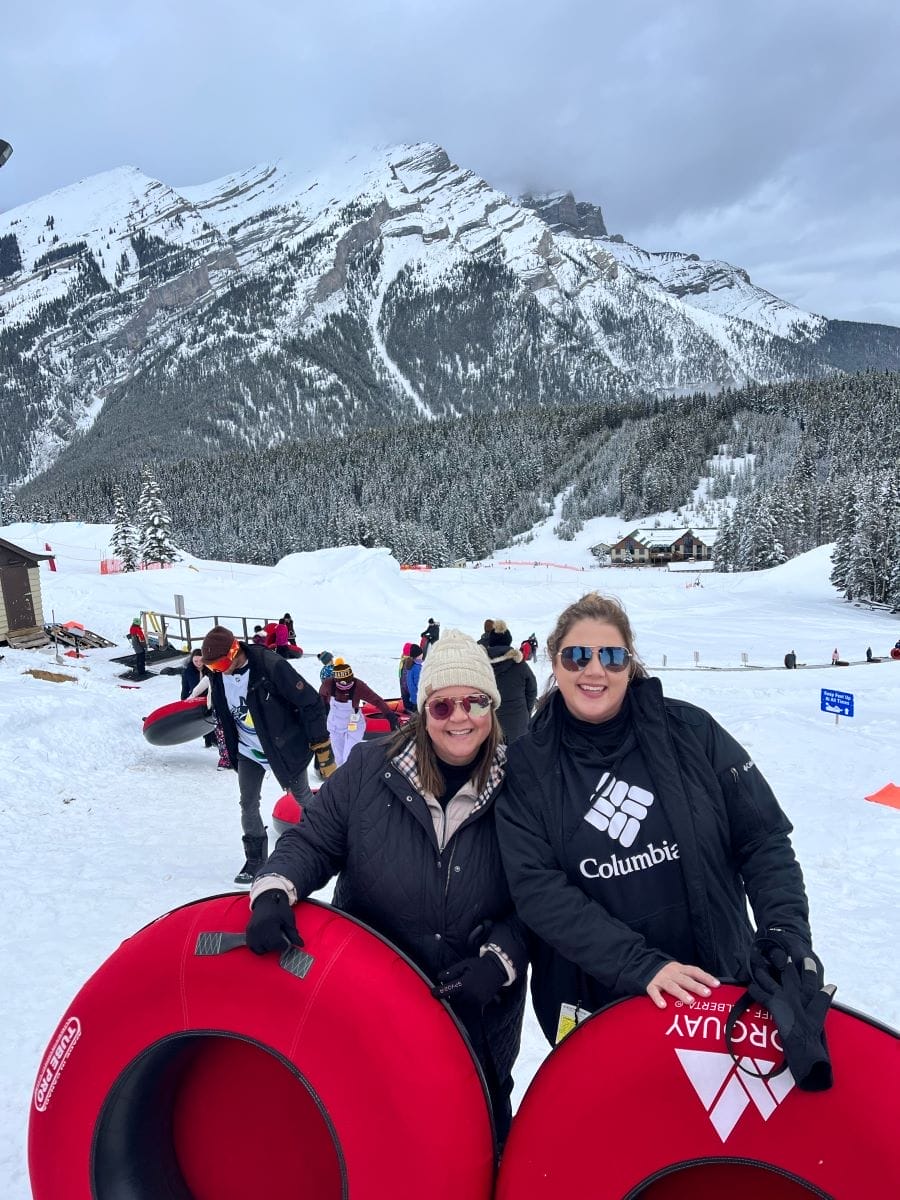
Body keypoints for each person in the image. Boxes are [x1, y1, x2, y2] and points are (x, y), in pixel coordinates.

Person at [495, 592, 817, 1052]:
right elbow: (537, 889)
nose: (594, 670)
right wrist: (642, 966)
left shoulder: (692, 731)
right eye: (576, 656)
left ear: (630, 661)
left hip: (718, 989)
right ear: (553, 660)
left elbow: (762, 838)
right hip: (598, 1007)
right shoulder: (526, 766)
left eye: (611, 656)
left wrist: (785, 933)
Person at [245, 629, 526, 1143]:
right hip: (372, 1008)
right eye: (442, 706)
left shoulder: (523, 786)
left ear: (493, 706)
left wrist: (500, 961)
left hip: (477, 1018)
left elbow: (541, 899)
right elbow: (312, 841)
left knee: (475, 1144)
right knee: (372, 1136)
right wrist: (273, 890)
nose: (460, 717)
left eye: (475, 702)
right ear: (423, 711)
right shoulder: (370, 770)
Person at [201, 625, 337, 885]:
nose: (216, 671)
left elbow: (310, 702)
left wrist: (320, 745)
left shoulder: (270, 666)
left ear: (234, 651)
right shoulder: (219, 675)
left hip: (283, 747)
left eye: (219, 665)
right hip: (247, 749)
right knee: (247, 802)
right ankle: (255, 860)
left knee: (303, 797)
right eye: (211, 668)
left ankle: (330, 842)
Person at [319, 658, 399, 766]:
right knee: (339, 759)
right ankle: (343, 780)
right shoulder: (328, 684)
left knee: (348, 757)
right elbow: (320, 700)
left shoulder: (358, 686)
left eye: (349, 682)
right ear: (336, 680)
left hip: (353, 725)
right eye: (342, 684)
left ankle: (351, 778)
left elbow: (376, 700)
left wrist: (390, 716)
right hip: (335, 725)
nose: (346, 686)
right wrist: (321, 714)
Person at [485, 620, 537, 744]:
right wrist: (526, 711)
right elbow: (532, 690)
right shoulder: (520, 665)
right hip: (518, 724)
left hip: (489, 725)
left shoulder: (482, 666)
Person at [400, 643, 423, 712]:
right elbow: (419, 684)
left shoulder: (408, 664)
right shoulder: (416, 667)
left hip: (411, 697)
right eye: (421, 654)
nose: (422, 655)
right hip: (416, 698)